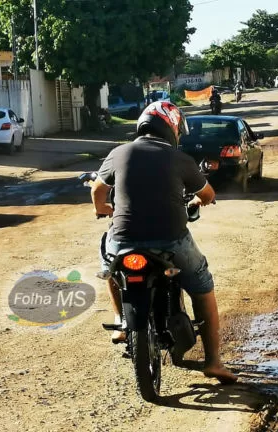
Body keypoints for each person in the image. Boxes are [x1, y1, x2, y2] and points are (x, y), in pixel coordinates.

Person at [90, 101, 238, 385]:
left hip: (124, 239)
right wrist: (195, 200)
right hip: (171, 240)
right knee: (202, 287)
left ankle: (122, 321)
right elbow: (207, 194)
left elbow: (99, 190)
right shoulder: (179, 158)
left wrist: (105, 210)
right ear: (172, 128)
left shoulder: (119, 152)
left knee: (110, 266)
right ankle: (214, 363)